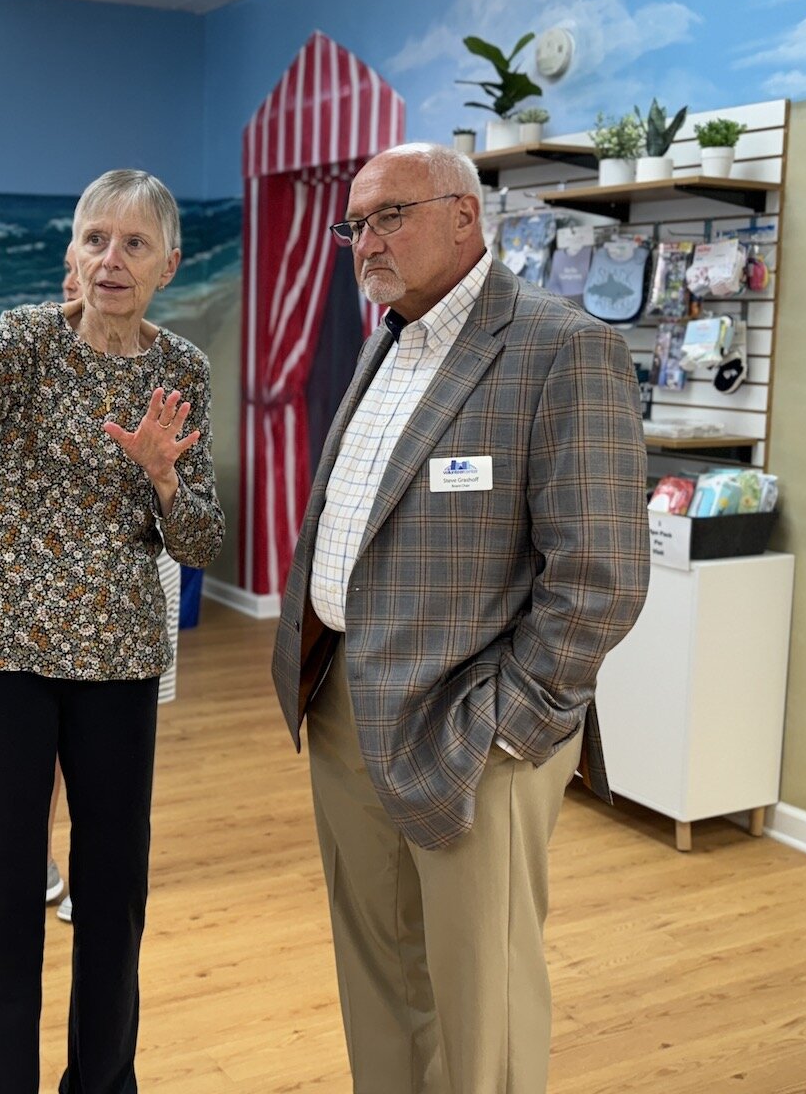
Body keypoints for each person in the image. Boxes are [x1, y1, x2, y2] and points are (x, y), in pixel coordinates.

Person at [270, 142, 649, 1094]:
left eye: (389, 216)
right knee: (381, 972)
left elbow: (601, 574)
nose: (365, 242)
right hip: (343, 701)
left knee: (486, 1000)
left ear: (462, 216)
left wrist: (511, 729)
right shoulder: (389, 340)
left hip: (473, 726)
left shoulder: (562, 346)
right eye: (354, 225)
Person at [0, 169, 223, 1093]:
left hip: (117, 661)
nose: (111, 259)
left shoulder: (181, 371)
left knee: (115, 894)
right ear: (71, 255)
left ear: (168, 266)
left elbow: (199, 537)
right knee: (4, 891)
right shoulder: (29, 340)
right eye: (95, 240)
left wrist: (161, 477)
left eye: (134, 244)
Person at [0, 243, 83, 926]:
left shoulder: (156, 367)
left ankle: (81, 870)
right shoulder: (29, 353)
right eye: (75, 268)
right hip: (19, 609)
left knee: (95, 764)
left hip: (109, 605)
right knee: (16, 762)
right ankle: (18, 867)